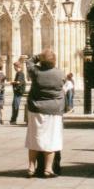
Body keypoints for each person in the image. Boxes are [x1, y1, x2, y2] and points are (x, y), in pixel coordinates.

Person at [24, 49, 65, 178]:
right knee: (51, 140)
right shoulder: (60, 74)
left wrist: (38, 57)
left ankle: (31, 168)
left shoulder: (36, 72)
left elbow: (29, 62)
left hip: (36, 109)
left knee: (34, 138)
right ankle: (48, 169)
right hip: (54, 110)